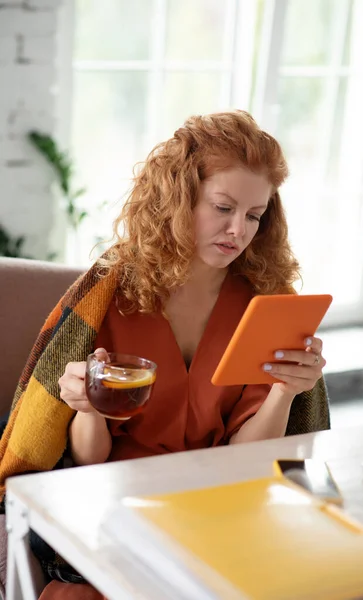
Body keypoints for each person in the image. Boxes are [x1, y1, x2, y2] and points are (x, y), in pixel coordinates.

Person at [0, 110, 329, 599]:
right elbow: (90, 459)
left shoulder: (265, 300)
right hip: (114, 503)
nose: (238, 230)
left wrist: (285, 392)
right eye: (223, 207)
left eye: (255, 215)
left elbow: (249, 459)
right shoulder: (112, 292)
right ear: (178, 198)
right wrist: (86, 406)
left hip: (217, 504)